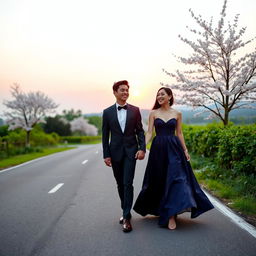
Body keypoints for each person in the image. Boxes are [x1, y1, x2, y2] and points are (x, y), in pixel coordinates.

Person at [133, 87, 214, 230]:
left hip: (174, 149)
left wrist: (185, 149)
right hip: (158, 149)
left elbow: (180, 133)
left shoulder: (177, 113)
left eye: (162, 94)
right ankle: (163, 208)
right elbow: (150, 133)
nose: (159, 96)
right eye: (158, 94)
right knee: (160, 180)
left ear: (170, 96)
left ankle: (171, 215)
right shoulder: (153, 113)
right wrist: (142, 147)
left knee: (177, 179)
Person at [102, 80, 146, 232]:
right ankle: (125, 210)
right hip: (115, 153)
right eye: (122, 90)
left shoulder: (135, 110)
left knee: (128, 183)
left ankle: (126, 217)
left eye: (127, 90)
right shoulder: (107, 112)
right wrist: (106, 155)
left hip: (131, 152)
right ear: (115, 92)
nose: (125, 92)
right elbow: (104, 135)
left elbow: (140, 131)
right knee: (120, 184)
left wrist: (142, 149)